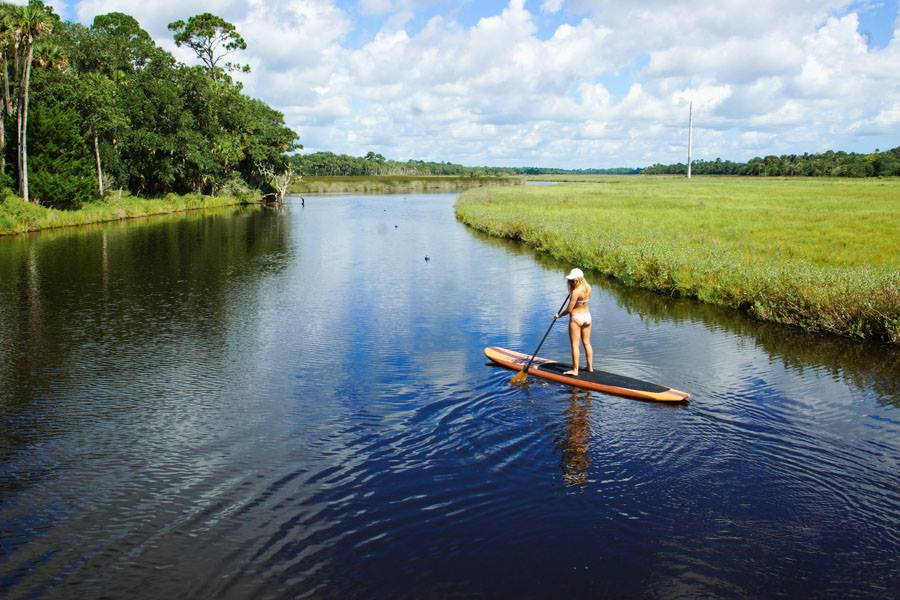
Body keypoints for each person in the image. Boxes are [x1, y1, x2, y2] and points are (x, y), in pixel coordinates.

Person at [555, 268, 593, 376]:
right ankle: (589, 367)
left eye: (571, 280)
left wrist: (559, 315)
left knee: (575, 345)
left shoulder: (575, 292)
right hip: (587, 317)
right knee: (587, 343)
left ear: (576, 280)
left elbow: (569, 310)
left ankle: (575, 370)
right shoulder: (588, 288)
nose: (570, 282)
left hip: (577, 318)